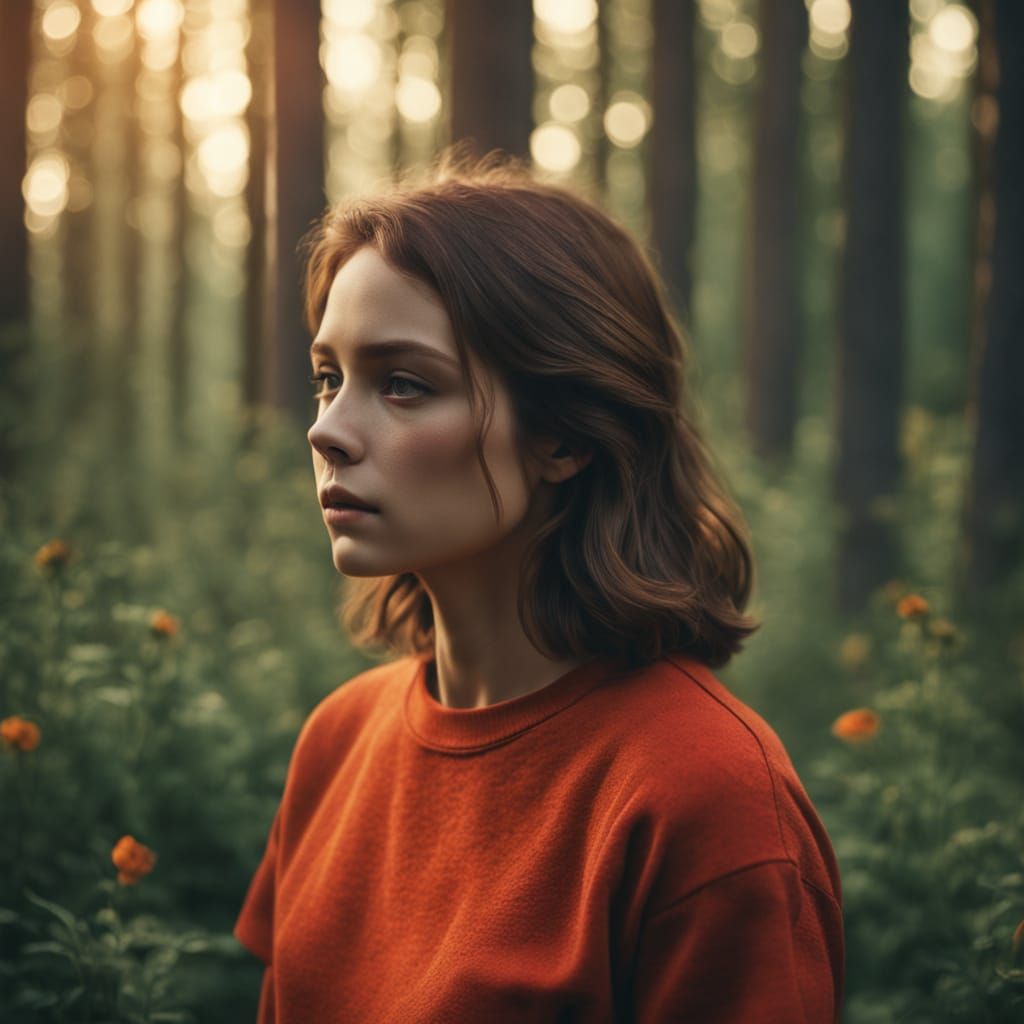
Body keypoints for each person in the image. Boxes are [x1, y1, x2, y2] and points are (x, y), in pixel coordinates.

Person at [233, 150, 844, 1022]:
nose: (327, 428)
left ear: (565, 436)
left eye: (404, 385)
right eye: (330, 378)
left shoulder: (706, 798)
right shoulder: (338, 742)